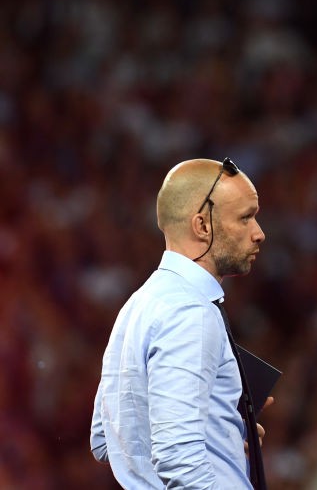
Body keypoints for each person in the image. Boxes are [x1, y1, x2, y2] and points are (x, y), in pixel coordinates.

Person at [90, 157, 268, 488]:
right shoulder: (190, 313)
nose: (259, 233)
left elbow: (106, 440)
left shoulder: (138, 305)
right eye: (245, 218)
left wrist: (223, 437)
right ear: (202, 226)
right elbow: (179, 460)